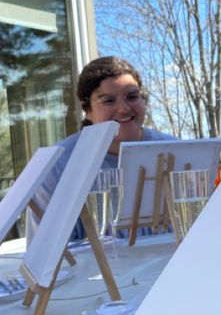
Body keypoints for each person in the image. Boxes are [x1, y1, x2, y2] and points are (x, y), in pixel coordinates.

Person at [30, 56, 176, 240]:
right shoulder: (57, 165)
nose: (123, 109)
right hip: (94, 269)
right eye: (108, 100)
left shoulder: (175, 152)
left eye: (132, 97)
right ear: (87, 109)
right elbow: (48, 252)